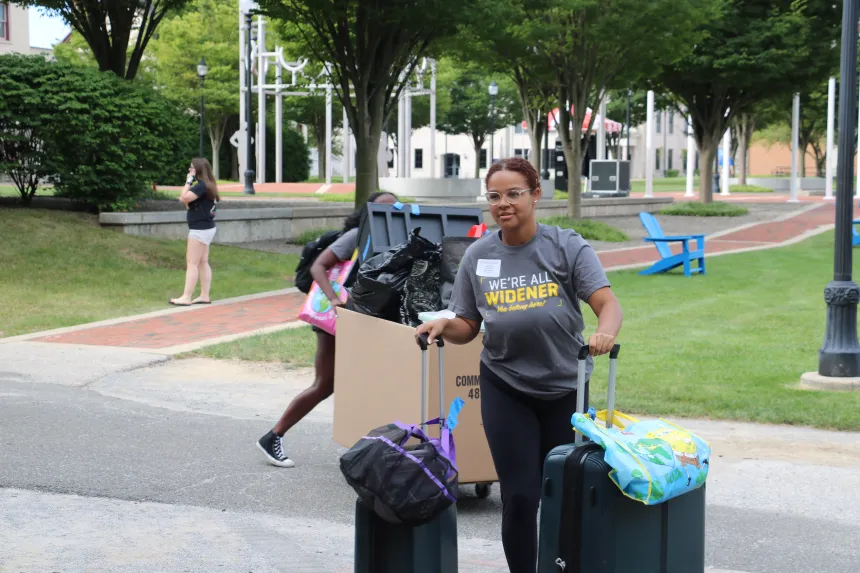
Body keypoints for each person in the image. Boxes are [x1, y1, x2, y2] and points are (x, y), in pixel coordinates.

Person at [415, 157, 623, 573]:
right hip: (504, 384)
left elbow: (607, 303)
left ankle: (564, 565)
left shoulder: (566, 245)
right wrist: (444, 325)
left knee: (564, 491)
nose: (503, 203)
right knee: (520, 494)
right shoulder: (479, 255)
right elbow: (468, 326)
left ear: (535, 195)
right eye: (494, 196)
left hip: (565, 386)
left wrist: (606, 332)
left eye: (513, 194)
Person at [257, 190, 399, 468]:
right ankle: (273, 436)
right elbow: (318, 266)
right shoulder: (356, 236)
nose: (389, 215)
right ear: (369, 213)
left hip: (361, 322)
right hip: (334, 323)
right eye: (382, 210)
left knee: (367, 382)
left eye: (395, 209)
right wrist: (333, 298)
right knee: (324, 384)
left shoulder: (395, 239)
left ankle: (370, 449)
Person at [170, 158, 220, 306]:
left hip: (199, 229)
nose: (189, 171)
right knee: (203, 262)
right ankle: (204, 295)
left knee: (192, 263)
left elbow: (183, 197)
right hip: (207, 227)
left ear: (197, 170)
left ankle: (186, 297)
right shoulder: (209, 185)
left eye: (191, 169)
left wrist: (188, 181)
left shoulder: (201, 186)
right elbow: (186, 200)